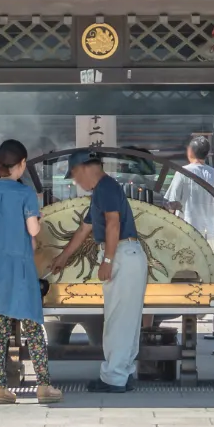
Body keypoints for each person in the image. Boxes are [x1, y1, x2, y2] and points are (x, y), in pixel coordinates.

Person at [0, 139, 62, 406]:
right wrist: (38, 221)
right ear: (22, 163)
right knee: (32, 326)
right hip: (19, 268)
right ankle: (43, 386)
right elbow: (33, 230)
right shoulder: (24, 193)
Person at [50, 150, 145, 394]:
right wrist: (63, 257)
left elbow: (113, 223)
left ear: (82, 168)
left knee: (118, 320)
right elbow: (84, 229)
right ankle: (122, 373)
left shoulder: (105, 187)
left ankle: (113, 378)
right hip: (127, 254)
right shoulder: (101, 191)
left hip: (122, 254)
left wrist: (108, 260)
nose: (75, 181)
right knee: (127, 320)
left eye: (73, 175)